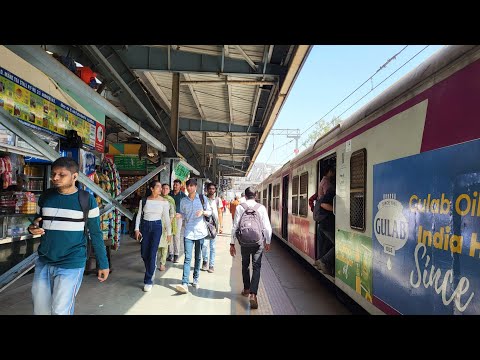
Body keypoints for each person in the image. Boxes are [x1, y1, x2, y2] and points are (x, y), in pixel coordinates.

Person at [28, 157, 109, 315]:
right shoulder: (46, 197)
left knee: (60, 310)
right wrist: (32, 228)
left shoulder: (87, 200)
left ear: (74, 176)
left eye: (61, 174)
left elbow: (96, 234)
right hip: (44, 259)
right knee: (40, 310)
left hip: (71, 262)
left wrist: (103, 263)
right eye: (54, 174)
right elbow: (36, 222)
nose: (55, 178)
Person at [230, 187, 272, 309]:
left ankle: (246, 289)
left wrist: (232, 243)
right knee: (257, 266)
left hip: (244, 242)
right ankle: (253, 294)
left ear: (245, 195)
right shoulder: (261, 208)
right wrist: (268, 241)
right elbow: (267, 228)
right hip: (258, 241)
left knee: (245, 265)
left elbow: (235, 227)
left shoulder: (240, 207)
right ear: (256, 195)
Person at [175, 178, 212, 293]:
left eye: (191, 186)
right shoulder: (183, 201)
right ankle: (184, 283)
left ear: (196, 187)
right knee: (187, 258)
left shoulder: (202, 199)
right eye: (188, 186)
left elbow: (210, 212)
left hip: (200, 232)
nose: (189, 188)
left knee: (198, 257)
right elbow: (184, 215)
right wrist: (180, 215)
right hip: (188, 232)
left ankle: (195, 278)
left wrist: (203, 212)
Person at [134, 180, 172, 292]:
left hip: (156, 227)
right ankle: (151, 268)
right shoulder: (144, 201)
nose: (161, 189)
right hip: (145, 227)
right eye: (158, 187)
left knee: (152, 252)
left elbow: (166, 218)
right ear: (151, 188)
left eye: (161, 187)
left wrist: (169, 233)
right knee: (144, 253)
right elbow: (139, 215)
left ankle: (148, 280)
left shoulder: (164, 202)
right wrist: (137, 229)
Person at [201, 182, 223, 273]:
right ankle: (205, 261)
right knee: (204, 245)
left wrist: (221, 226)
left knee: (213, 246)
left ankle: (211, 265)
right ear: (207, 189)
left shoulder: (218, 200)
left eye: (213, 189)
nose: (211, 190)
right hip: (204, 224)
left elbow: (220, 213)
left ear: (215, 190)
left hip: (214, 225)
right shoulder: (203, 199)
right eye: (210, 188)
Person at [314, 187, 336, 276]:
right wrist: (336, 210)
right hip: (327, 224)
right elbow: (323, 204)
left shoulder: (328, 192)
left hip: (322, 224)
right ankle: (324, 261)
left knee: (323, 244)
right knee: (340, 245)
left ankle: (320, 262)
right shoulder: (332, 191)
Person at [157, 183, 176, 271]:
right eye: (163, 188)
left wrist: (168, 225)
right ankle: (155, 261)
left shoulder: (170, 200)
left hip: (165, 225)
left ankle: (162, 263)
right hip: (156, 224)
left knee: (165, 245)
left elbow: (172, 215)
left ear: (169, 190)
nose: (164, 190)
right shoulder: (156, 198)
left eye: (167, 189)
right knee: (156, 244)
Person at [168, 179, 186, 263]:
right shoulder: (169, 193)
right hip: (169, 217)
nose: (175, 186)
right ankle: (170, 254)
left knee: (176, 236)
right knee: (169, 235)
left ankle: (176, 254)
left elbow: (186, 208)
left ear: (180, 186)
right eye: (174, 184)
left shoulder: (183, 196)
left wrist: (181, 214)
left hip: (178, 218)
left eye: (177, 185)